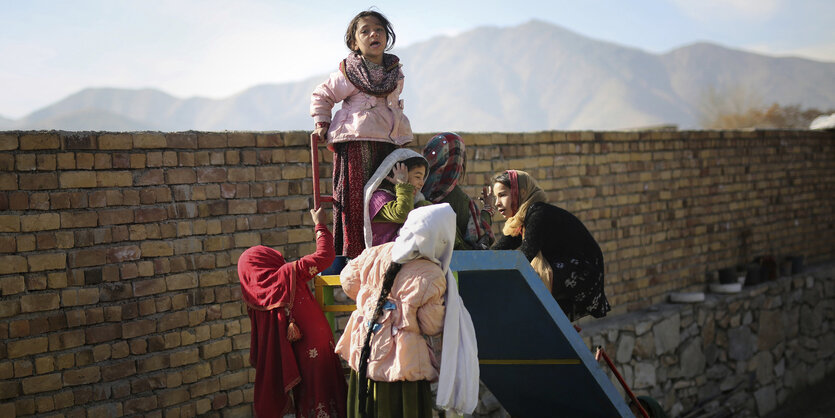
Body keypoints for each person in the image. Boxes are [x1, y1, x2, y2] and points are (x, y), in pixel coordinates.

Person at [336, 204, 479, 417]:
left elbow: (348, 280)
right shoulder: (431, 274)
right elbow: (431, 325)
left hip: (364, 351)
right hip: (404, 365)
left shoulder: (375, 252)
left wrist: (372, 302)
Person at [311, 9, 413, 259]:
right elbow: (322, 95)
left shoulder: (394, 72)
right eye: (365, 31)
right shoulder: (350, 72)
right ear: (355, 43)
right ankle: (353, 255)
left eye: (378, 29)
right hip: (356, 144)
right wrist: (322, 122)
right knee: (355, 201)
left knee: (384, 199)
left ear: (386, 37)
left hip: (388, 145)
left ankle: (383, 250)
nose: (373, 34)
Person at [238, 207, 347, 418]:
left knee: (308, 400)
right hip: (314, 346)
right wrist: (320, 225)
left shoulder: (254, 297)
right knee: (325, 393)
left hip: (291, 356)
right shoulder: (288, 274)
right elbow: (325, 257)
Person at [488, 169, 611, 322]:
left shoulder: (537, 213)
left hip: (583, 272)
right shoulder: (523, 219)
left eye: (502, 195)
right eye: (495, 197)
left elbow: (524, 257)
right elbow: (497, 251)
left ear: (522, 192)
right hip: (567, 273)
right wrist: (485, 215)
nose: (497, 203)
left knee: (527, 284)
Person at [421, 132, 494, 250]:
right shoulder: (457, 198)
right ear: (458, 160)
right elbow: (477, 234)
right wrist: (488, 209)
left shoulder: (414, 188)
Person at [363, 148, 431, 248]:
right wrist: (402, 184)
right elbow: (402, 214)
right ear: (398, 174)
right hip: (384, 256)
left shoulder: (411, 199)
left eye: (423, 178)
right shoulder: (379, 197)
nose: (421, 183)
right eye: (417, 177)